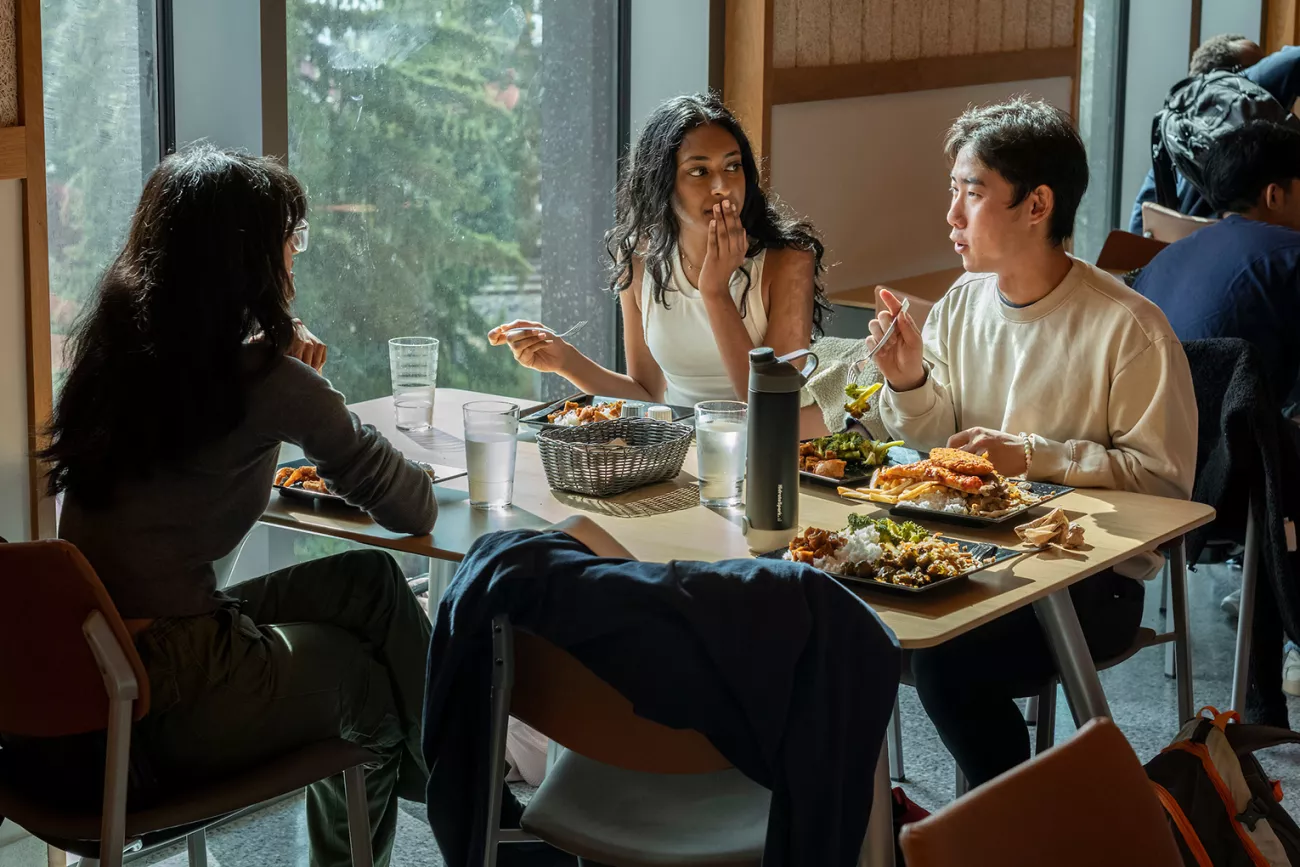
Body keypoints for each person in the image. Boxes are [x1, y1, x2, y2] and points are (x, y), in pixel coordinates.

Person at [28, 146, 436, 867]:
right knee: (368, 685)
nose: (295, 254)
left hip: (98, 668)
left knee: (371, 585)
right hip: (166, 697)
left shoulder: (111, 363)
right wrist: (307, 397)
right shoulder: (261, 380)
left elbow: (189, 511)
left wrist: (288, 390)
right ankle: (466, 789)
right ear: (247, 257)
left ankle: (460, 770)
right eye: (290, 237)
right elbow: (411, 504)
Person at [869, 98, 1198, 787]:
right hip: (975, 555)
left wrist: (1033, 454)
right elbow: (937, 445)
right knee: (834, 619)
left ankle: (1013, 833)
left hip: (1090, 585)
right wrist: (908, 381)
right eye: (953, 192)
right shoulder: (963, 304)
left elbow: (1165, 488)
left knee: (946, 663)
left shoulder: (1128, 328)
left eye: (972, 193)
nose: (952, 216)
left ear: (1037, 204)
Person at [488, 93, 831, 437]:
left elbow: (766, 407)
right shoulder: (639, 261)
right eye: (699, 171)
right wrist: (564, 360)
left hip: (782, 457)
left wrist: (715, 292)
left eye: (732, 166)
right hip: (684, 455)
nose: (722, 187)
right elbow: (647, 395)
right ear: (662, 184)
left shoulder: (789, 260)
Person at [1129, 35, 1300, 232]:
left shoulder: (1175, 136)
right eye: (1262, 63)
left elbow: (1139, 224)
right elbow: (1294, 58)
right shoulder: (1243, 85)